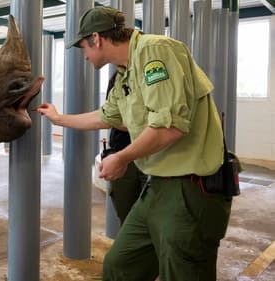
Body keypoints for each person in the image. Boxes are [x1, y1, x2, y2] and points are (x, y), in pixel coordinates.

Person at [37, 6, 231, 281]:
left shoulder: (156, 52)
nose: (84, 55)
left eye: (83, 47)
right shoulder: (125, 74)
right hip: (158, 183)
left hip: (190, 185)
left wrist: (122, 157)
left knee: (184, 270)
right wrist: (59, 119)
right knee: (120, 265)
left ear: (97, 38)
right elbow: (107, 116)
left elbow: (170, 127)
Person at [104, 72, 147, 225]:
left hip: (151, 156)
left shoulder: (150, 76)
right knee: (126, 213)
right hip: (122, 154)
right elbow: (111, 118)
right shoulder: (118, 79)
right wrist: (145, 128)